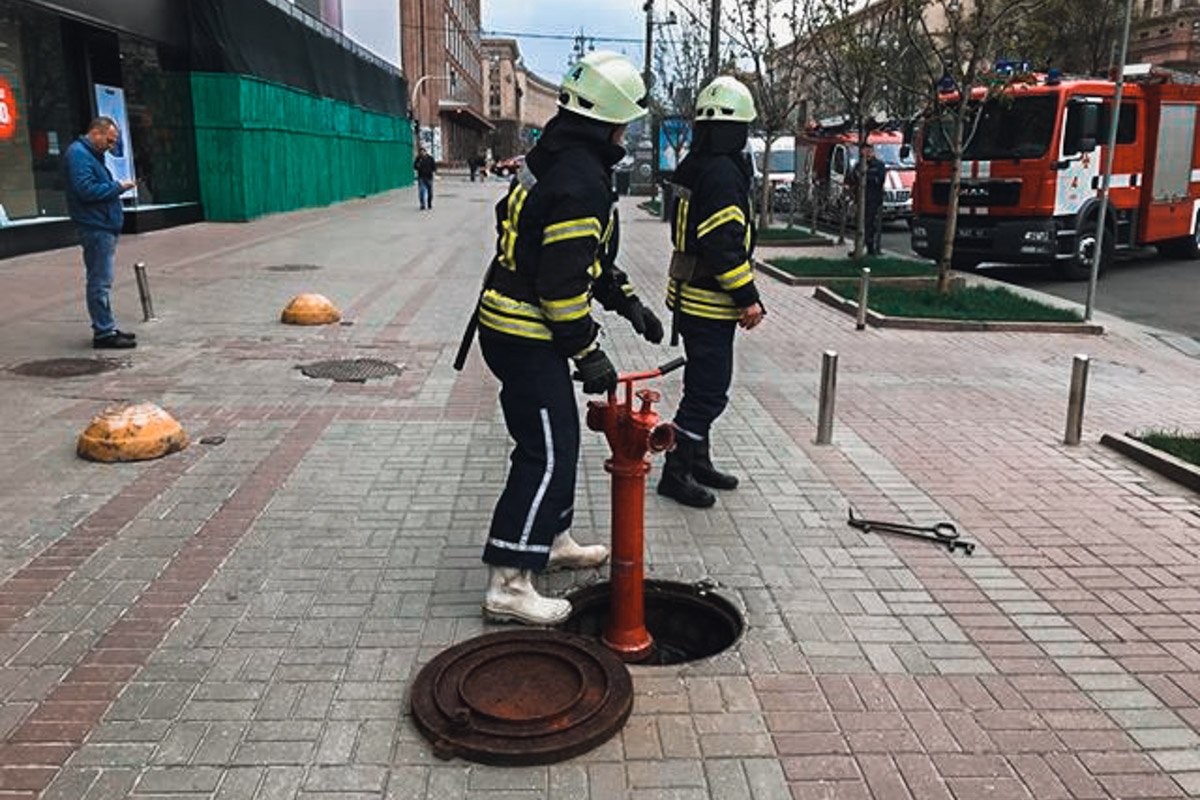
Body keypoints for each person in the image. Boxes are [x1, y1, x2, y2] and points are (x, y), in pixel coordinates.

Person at [475, 51, 663, 625]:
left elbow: (580, 257)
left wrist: (626, 300)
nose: (627, 130)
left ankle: (550, 540)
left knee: (554, 442)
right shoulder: (581, 179)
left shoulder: (560, 156)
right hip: (525, 331)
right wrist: (590, 354)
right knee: (546, 450)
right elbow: (560, 287)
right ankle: (509, 580)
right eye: (626, 119)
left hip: (516, 326)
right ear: (609, 120)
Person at [658, 76, 765, 509]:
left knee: (702, 384)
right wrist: (748, 297)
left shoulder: (697, 163)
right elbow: (723, 246)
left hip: (692, 296)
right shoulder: (722, 173)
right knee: (708, 391)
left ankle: (698, 460)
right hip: (711, 300)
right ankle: (676, 471)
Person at [65, 116, 138, 350]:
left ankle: (107, 326)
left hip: (102, 225)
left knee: (102, 280)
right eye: (109, 140)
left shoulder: (91, 155)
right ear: (96, 133)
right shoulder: (78, 154)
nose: (111, 146)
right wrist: (117, 187)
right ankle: (104, 332)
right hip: (95, 226)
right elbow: (85, 190)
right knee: (99, 281)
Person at [848, 143, 886, 255]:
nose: (866, 153)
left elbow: (879, 180)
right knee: (859, 223)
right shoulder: (859, 164)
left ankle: (871, 248)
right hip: (860, 198)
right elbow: (853, 178)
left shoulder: (878, 165)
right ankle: (858, 247)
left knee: (870, 223)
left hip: (872, 199)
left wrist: (866, 175)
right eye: (864, 151)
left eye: (868, 150)